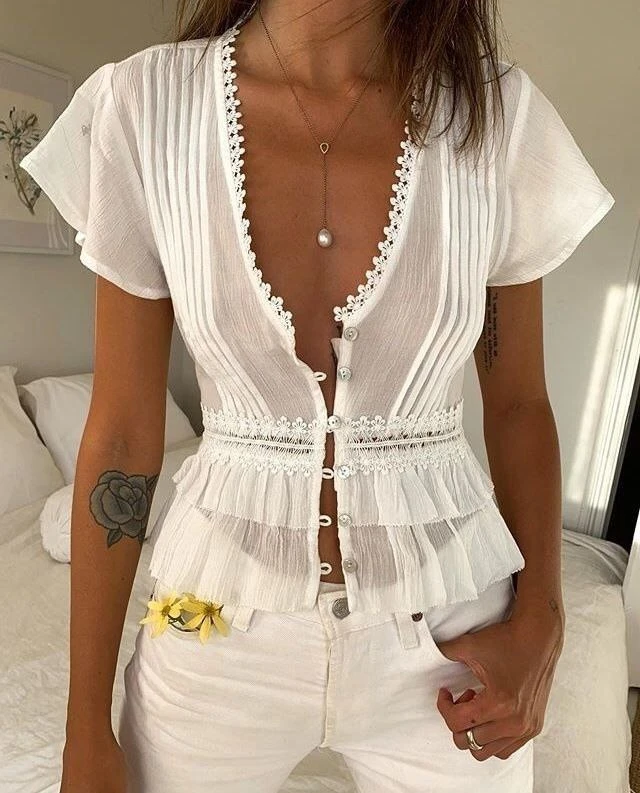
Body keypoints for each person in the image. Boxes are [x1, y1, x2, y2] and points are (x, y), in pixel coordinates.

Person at [19, 0, 615, 791]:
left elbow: (517, 407)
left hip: (451, 633)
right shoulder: (143, 109)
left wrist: (544, 614)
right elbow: (124, 434)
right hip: (216, 627)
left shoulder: (495, 119)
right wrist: (84, 726)